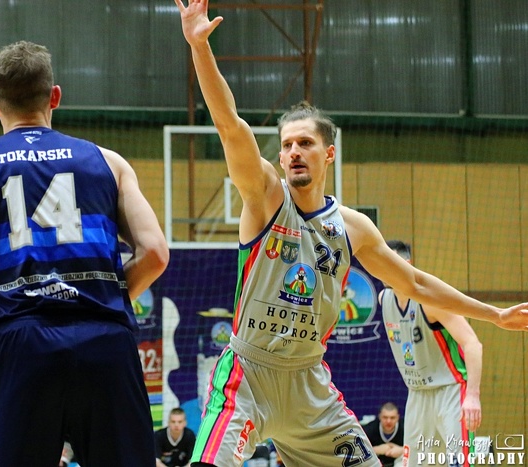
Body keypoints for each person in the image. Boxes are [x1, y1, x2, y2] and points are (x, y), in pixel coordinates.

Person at [173, 1, 528, 465]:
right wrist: (199, 47)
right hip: (249, 375)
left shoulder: (353, 227)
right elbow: (228, 124)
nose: (294, 152)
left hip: (309, 384)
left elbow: (416, 283)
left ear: (329, 154)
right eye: (286, 145)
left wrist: (494, 314)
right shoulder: (264, 197)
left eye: (305, 143)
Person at [0, 40, 169, 467]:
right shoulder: (108, 162)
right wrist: (104, 301)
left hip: (19, 343)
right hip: (105, 342)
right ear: (54, 96)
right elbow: (155, 254)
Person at [381, 241, 483, 466]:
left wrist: (472, 396)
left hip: (451, 390)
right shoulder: (384, 299)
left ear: (407, 265)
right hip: (417, 393)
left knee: (459, 462)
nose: (381, 267)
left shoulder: (430, 302)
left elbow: (473, 344)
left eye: (387, 262)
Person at [362, 402, 404, 467]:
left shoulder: (406, 429)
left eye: (392, 418)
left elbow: (418, 449)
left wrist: (402, 450)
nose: (388, 421)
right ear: (380, 416)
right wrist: (376, 450)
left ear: (398, 417)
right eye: (385, 417)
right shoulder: (369, 429)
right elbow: (358, 452)